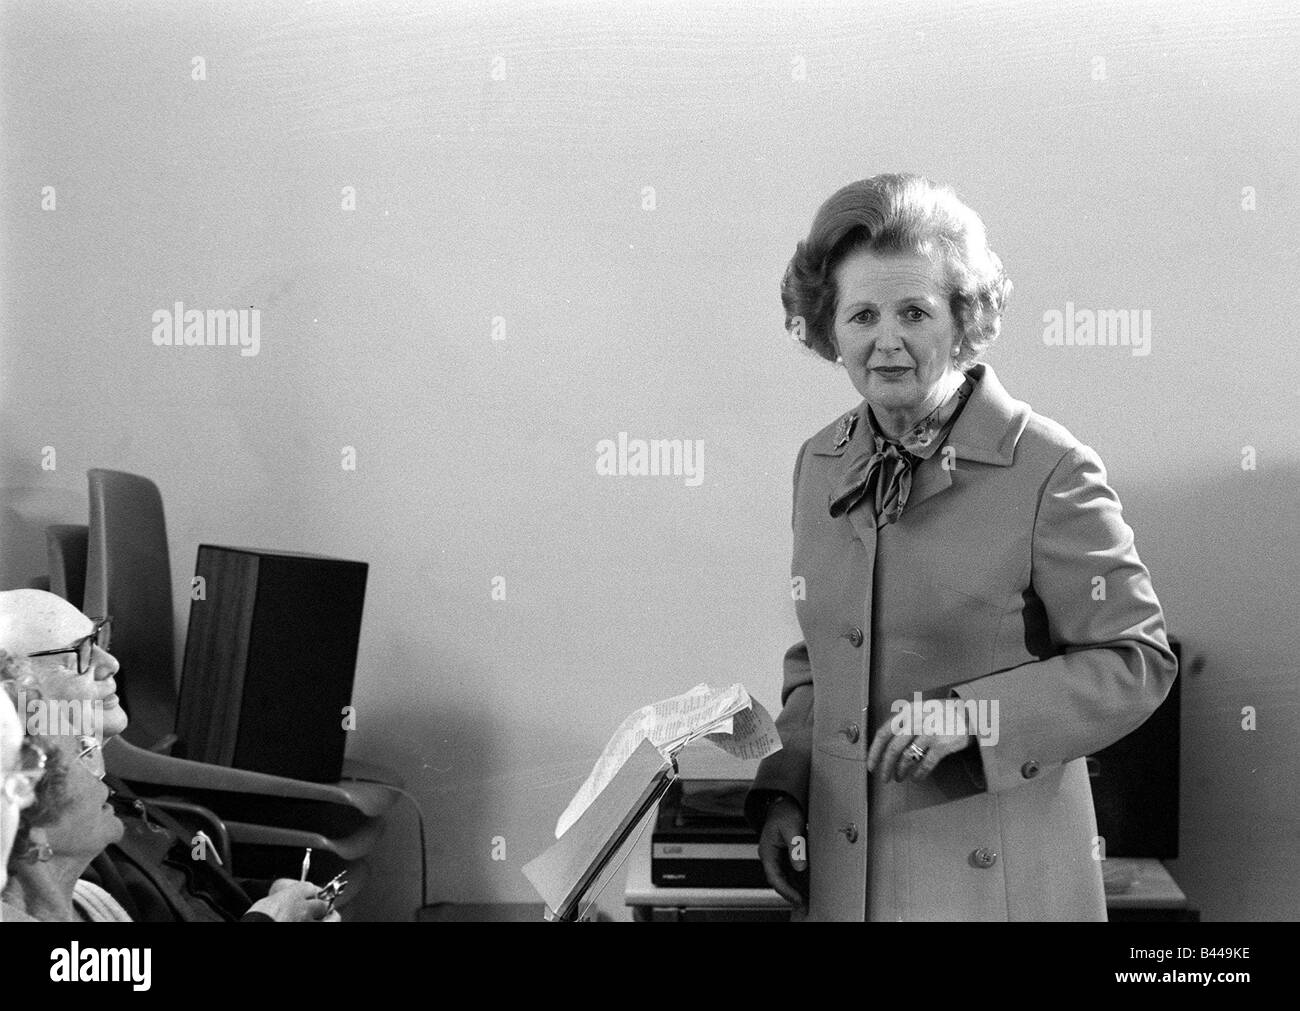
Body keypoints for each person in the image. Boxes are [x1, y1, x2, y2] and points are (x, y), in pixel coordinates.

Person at [747, 173, 1177, 921]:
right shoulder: (820, 463)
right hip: (851, 880)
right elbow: (819, 658)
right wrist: (791, 788)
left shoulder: (1049, 467)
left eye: (915, 311)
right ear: (829, 329)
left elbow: (1137, 663)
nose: (887, 340)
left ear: (964, 317)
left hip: (1000, 885)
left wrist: (970, 715)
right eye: (861, 315)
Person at [0, 590, 336, 922]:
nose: (112, 664)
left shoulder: (97, 793)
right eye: (82, 652)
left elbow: (189, 892)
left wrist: (274, 897)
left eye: (99, 637)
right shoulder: (69, 830)